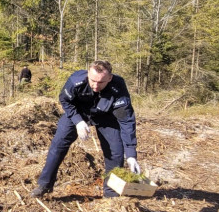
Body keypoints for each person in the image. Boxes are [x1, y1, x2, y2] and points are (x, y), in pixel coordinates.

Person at [31, 60, 141, 199]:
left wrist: (131, 155)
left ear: (110, 78)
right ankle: (44, 185)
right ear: (88, 74)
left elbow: (126, 120)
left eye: (101, 82)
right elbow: (65, 100)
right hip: (78, 112)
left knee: (116, 152)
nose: (95, 85)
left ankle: (111, 194)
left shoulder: (118, 87)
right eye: (92, 80)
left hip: (106, 116)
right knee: (58, 144)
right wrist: (78, 121)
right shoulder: (76, 80)